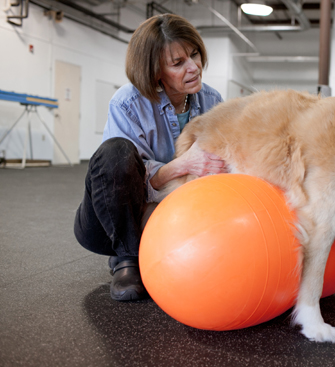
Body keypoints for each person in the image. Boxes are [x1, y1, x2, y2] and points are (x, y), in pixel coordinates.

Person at [74, 14, 228, 301]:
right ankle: (126, 259)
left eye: (194, 54)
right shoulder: (127, 102)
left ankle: (157, 247)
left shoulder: (212, 100)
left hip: (170, 214)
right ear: (155, 71)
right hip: (112, 221)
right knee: (115, 151)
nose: (194, 67)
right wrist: (180, 166)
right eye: (178, 63)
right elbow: (120, 176)